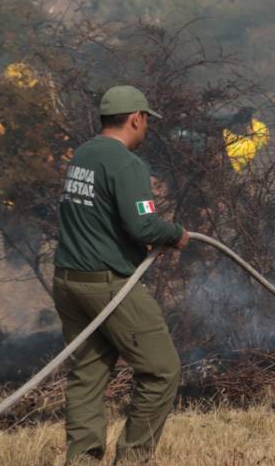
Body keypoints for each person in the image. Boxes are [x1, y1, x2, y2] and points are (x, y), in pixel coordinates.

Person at [52, 85, 189, 462]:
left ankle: (82, 461)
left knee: (87, 376)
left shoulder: (83, 153)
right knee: (162, 371)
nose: (146, 128)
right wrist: (175, 234)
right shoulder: (127, 164)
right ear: (136, 119)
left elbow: (100, 216)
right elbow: (144, 226)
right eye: (146, 121)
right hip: (107, 285)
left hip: (68, 282)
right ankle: (132, 459)